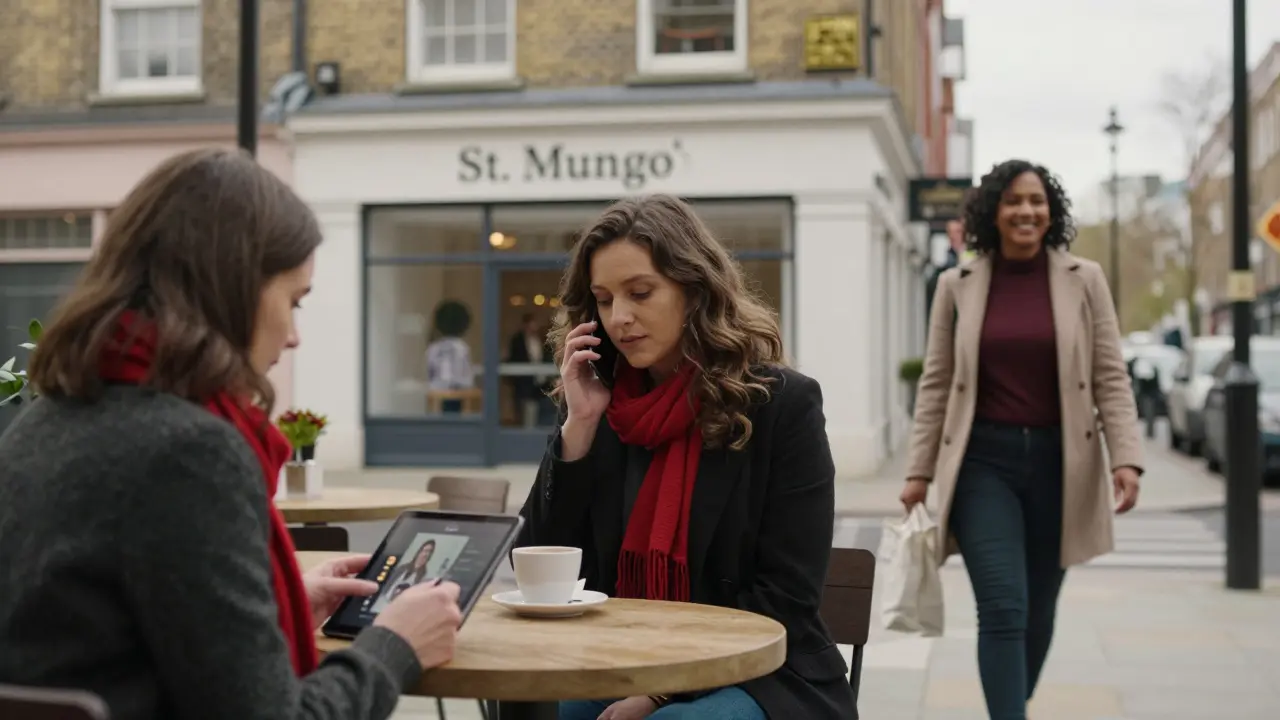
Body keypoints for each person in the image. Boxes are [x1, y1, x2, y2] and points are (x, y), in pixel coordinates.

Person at [0, 148, 463, 720]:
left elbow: (109, 635)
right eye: (293, 301)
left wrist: (274, 600)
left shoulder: (43, 424)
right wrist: (394, 644)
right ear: (233, 288)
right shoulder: (189, 452)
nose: (294, 336)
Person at [516, 194, 856, 720]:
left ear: (694, 290)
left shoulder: (779, 405)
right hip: (622, 657)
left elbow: (786, 597)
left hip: (761, 673)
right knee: (552, 708)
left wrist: (660, 693)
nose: (620, 318)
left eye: (641, 292)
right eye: (604, 300)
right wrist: (578, 427)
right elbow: (539, 564)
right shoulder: (604, 409)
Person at [901, 159, 1143, 720]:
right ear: (994, 212)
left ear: (1050, 210)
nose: (1026, 211)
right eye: (1013, 202)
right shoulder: (956, 285)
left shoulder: (1085, 279)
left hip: (1064, 465)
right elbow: (936, 382)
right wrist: (919, 472)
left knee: (1038, 612)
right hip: (983, 464)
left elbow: (1110, 373)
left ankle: (1013, 701)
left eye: (1036, 200)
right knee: (1003, 608)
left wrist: (1126, 457)